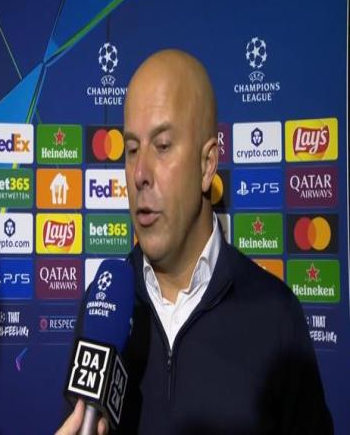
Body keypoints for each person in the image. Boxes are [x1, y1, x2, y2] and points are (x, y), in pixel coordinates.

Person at [57, 49, 333, 434]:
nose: (139, 173)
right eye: (132, 149)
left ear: (207, 165)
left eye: (162, 146)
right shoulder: (104, 305)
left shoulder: (276, 316)